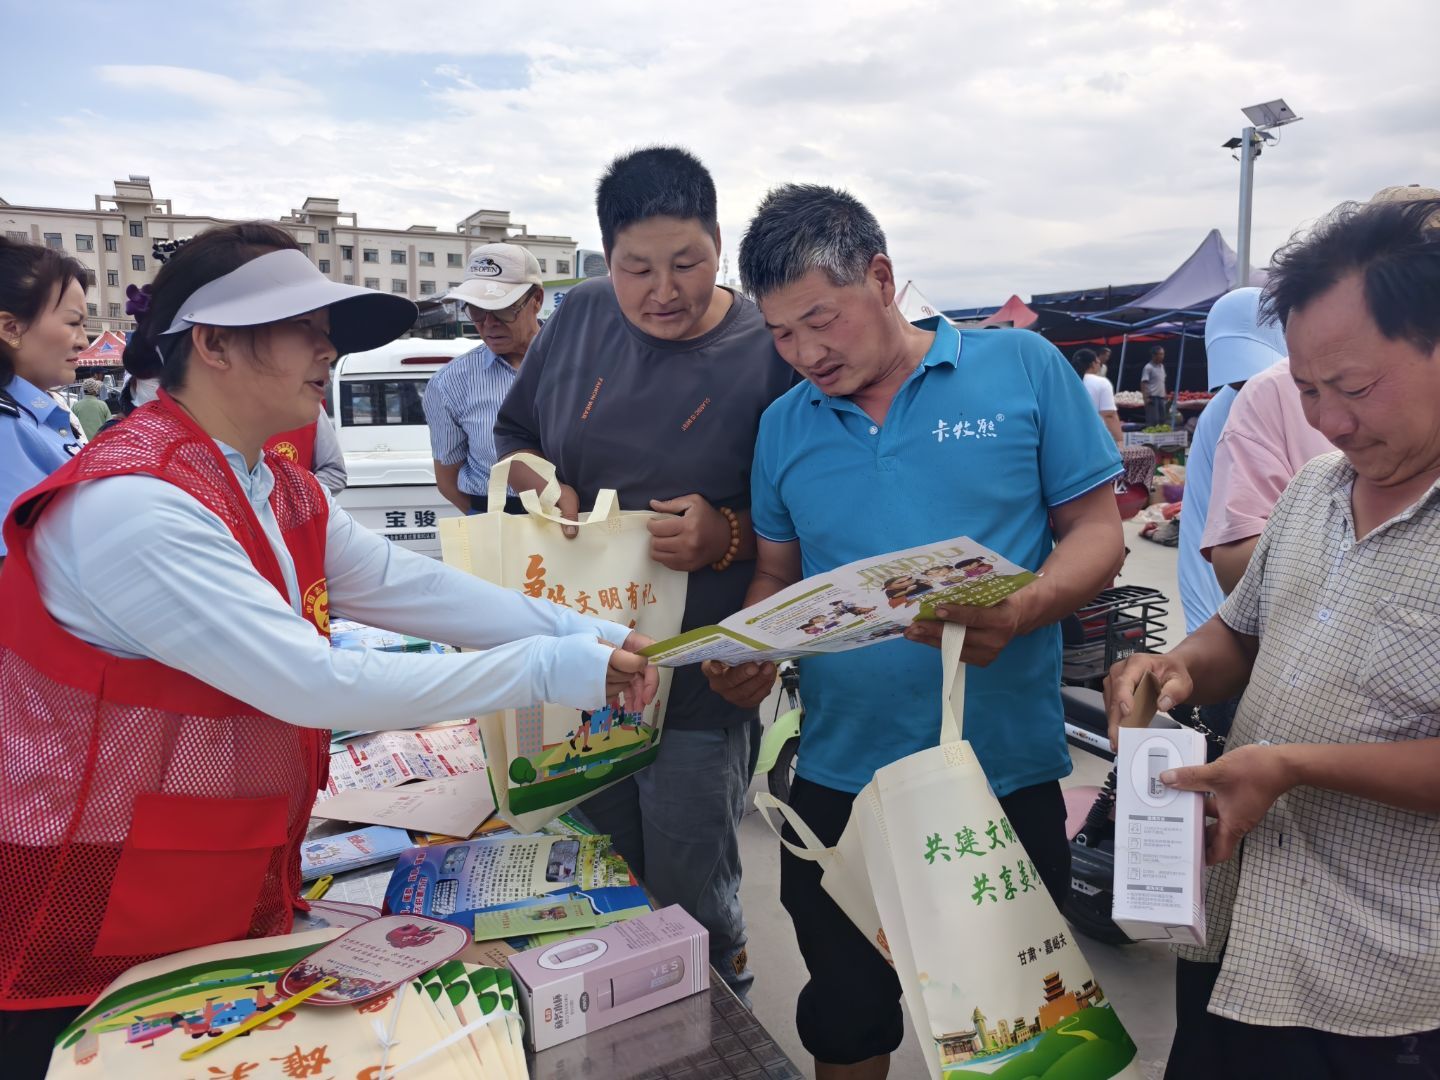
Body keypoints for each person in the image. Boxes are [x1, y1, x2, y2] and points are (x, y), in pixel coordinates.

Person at [0, 221, 657, 1074]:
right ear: (213, 344)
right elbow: (315, 682)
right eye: (301, 328)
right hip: (91, 884)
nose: (329, 350)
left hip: (202, 861)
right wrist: (547, 668)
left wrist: (580, 631)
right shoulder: (135, 503)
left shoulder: (272, 480)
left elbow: (409, 587)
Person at [707, 184, 1124, 1080]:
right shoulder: (784, 424)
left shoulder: (1021, 367)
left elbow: (1098, 531)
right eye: (781, 334)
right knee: (847, 1017)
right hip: (839, 781)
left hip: (996, 776)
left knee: (1014, 1032)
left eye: (821, 320)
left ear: (882, 277)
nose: (805, 354)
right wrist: (753, 649)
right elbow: (778, 573)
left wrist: (1025, 607)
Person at [1105, 197, 1440, 1079]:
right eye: (1306, 390)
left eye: (1354, 388)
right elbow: (1241, 634)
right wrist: (1175, 669)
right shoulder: (1313, 490)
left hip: (1381, 978)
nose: (1328, 420)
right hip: (1235, 930)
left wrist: (1292, 766)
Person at [494, 146, 796, 1001]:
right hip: (581, 666)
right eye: (638, 269)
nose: (664, 290)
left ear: (719, 245)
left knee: (690, 888)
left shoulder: (768, 352)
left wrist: (725, 534)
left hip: (697, 680)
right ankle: (626, 1018)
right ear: (606, 260)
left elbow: (814, 514)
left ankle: (720, 1003)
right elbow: (513, 437)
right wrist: (541, 483)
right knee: (601, 871)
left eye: (687, 263)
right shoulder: (582, 318)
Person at [1176, 287, 1288, 635]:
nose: (1246, 388)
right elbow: (1202, 519)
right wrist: (1203, 626)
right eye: (1236, 380)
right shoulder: (1218, 415)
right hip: (1235, 608)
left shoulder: (1314, 404)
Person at [425, 243, 545, 514]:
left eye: (503, 308)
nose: (489, 323)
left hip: (582, 516)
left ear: (536, 299)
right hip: (496, 516)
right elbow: (447, 480)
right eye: (477, 309)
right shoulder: (450, 383)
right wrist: (486, 519)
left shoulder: (580, 362)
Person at [0, 237, 89, 566]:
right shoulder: (6, 430)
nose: (83, 342)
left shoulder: (38, 415)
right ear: (11, 328)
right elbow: (14, 570)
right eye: (73, 323)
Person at [1070, 346, 1122, 444]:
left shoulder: (1065, 381)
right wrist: (1119, 440)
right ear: (1093, 364)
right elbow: (1109, 415)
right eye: (1098, 362)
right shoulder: (1101, 382)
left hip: (1067, 436)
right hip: (1092, 438)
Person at [1142, 344, 1168, 426]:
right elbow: (1144, 383)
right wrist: (1146, 397)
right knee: (1153, 420)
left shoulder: (1162, 366)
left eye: (1163, 354)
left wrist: (1165, 393)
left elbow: (1162, 381)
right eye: (1160, 354)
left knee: (1162, 419)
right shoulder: (1148, 367)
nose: (1162, 356)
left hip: (1161, 397)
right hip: (1152, 397)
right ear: (1154, 355)